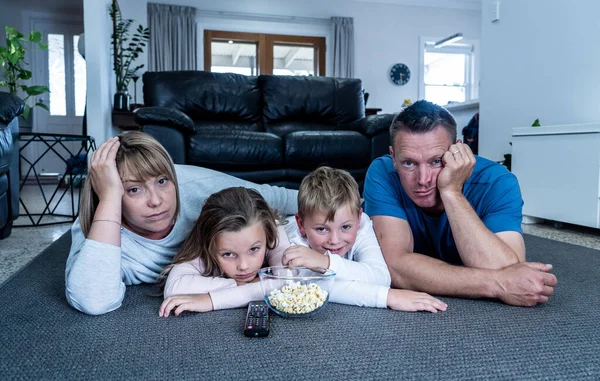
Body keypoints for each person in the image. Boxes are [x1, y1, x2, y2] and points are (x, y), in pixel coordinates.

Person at [65, 132, 298, 315]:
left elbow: (278, 198)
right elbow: (92, 301)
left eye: (163, 181)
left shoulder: (196, 188)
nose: (156, 201)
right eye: (134, 189)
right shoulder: (98, 227)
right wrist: (109, 199)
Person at [363, 100, 557, 307]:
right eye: (409, 163)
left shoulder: (497, 181)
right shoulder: (383, 172)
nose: (423, 179)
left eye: (436, 161)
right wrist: (497, 284)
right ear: (393, 157)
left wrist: (452, 192)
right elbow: (395, 267)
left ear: (458, 150)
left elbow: (508, 266)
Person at [281, 166, 448, 312]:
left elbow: (380, 277)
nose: (334, 240)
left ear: (359, 218)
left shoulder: (362, 225)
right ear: (301, 225)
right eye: (322, 229)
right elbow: (315, 287)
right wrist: (387, 297)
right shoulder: (292, 242)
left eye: (345, 227)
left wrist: (326, 262)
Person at [159, 187, 286, 317]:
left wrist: (211, 300)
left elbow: (287, 283)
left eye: (254, 249)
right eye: (228, 254)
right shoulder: (207, 245)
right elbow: (174, 288)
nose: (243, 266)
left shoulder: (272, 229)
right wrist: (240, 284)